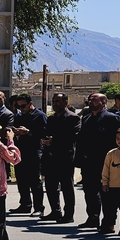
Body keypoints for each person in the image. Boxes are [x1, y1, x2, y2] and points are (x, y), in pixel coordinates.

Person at [74, 92, 120, 230]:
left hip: (105, 162)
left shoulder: (112, 118)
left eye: (94, 100)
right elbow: (81, 140)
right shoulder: (87, 118)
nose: (90, 102)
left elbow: (119, 140)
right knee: (89, 192)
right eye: (89, 100)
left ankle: (108, 222)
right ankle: (93, 218)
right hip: (88, 162)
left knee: (106, 193)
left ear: (103, 102)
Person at [39, 93, 81, 224]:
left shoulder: (73, 118)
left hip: (65, 157)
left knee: (67, 187)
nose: (55, 104)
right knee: (51, 186)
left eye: (58, 101)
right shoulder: (51, 119)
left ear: (65, 102)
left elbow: (73, 136)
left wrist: (54, 140)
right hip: (51, 157)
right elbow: (46, 133)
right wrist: (44, 141)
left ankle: (69, 214)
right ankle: (55, 211)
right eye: (53, 101)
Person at [11, 93, 47, 215]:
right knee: (21, 180)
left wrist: (27, 132)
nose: (21, 109)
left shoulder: (40, 116)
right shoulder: (19, 116)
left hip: (33, 151)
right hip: (20, 152)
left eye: (23, 106)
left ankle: (39, 207)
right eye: (19, 106)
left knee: (34, 181)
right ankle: (25, 204)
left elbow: (43, 134)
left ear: (30, 104)